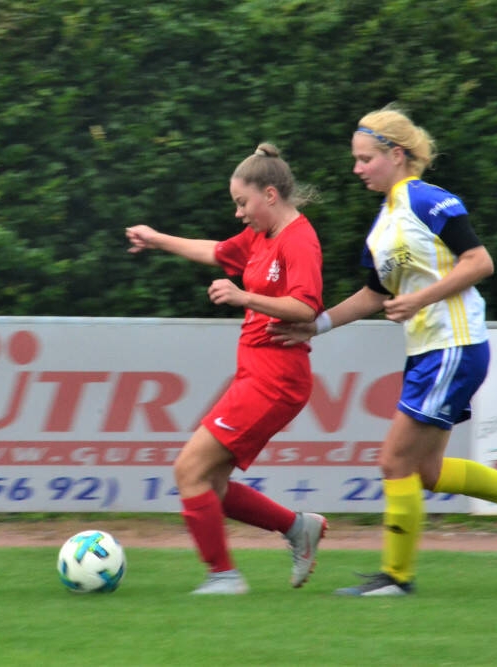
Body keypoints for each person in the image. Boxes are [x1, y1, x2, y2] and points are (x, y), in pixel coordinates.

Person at [268, 106, 497, 596]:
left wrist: (420, 298)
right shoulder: (383, 224)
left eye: (365, 158)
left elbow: (479, 261)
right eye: (356, 159)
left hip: (454, 345)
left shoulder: (427, 200)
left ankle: (396, 578)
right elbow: (375, 294)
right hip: (430, 351)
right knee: (425, 471)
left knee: (394, 461)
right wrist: (315, 326)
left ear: (397, 154)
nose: (357, 168)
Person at [126, 143, 327, 595]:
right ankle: (298, 528)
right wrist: (156, 238)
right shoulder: (262, 235)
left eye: (242, 202)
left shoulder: (298, 240)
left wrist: (243, 297)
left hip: (276, 381)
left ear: (270, 194)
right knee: (210, 480)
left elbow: (306, 308)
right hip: (257, 377)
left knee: (189, 470)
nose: (238, 213)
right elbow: (216, 252)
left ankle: (223, 576)